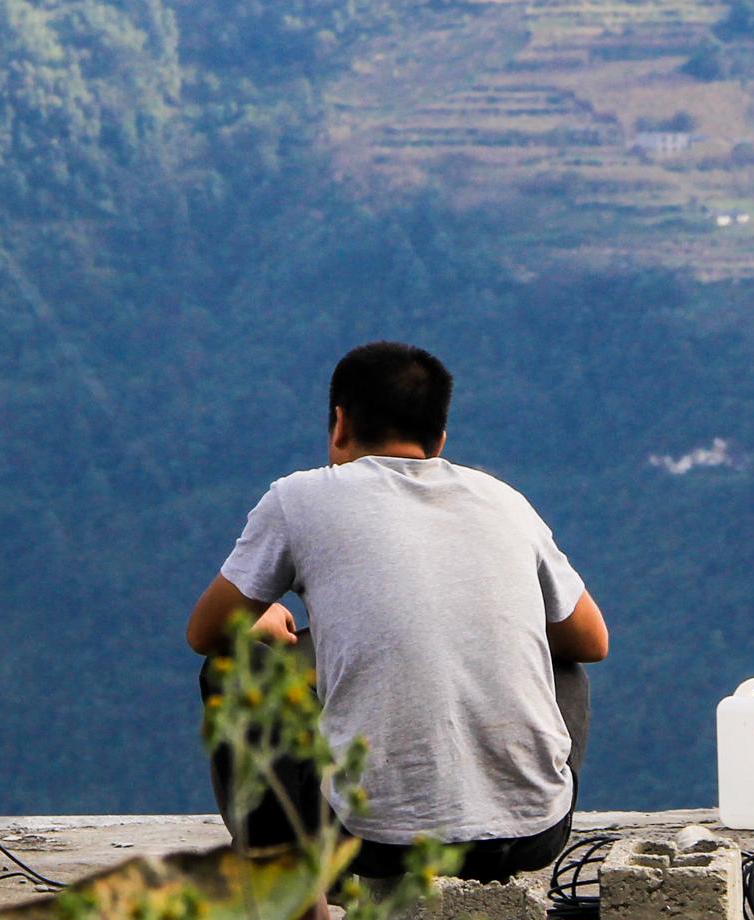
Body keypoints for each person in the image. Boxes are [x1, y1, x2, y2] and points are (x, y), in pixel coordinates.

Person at [185, 341, 609, 881]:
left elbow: (204, 632)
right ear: (439, 439)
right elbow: (592, 642)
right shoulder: (505, 501)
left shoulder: (299, 499)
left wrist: (259, 618)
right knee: (561, 660)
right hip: (533, 835)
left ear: (339, 423)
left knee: (235, 666)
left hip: (375, 842)